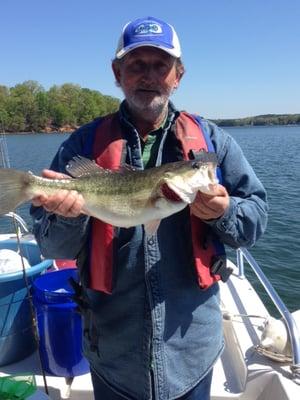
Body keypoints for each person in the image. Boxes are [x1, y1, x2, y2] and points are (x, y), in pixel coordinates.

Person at [30, 16, 268, 400]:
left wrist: (224, 213)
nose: (149, 76)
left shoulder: (213, 143)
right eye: (136, 65)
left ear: (178, 75)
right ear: (117, 73)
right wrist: (65, 216)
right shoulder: (82, 144)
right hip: (113, 357)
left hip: (192, 353)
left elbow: (256, 220)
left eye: (161, 65)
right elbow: (52, 247)